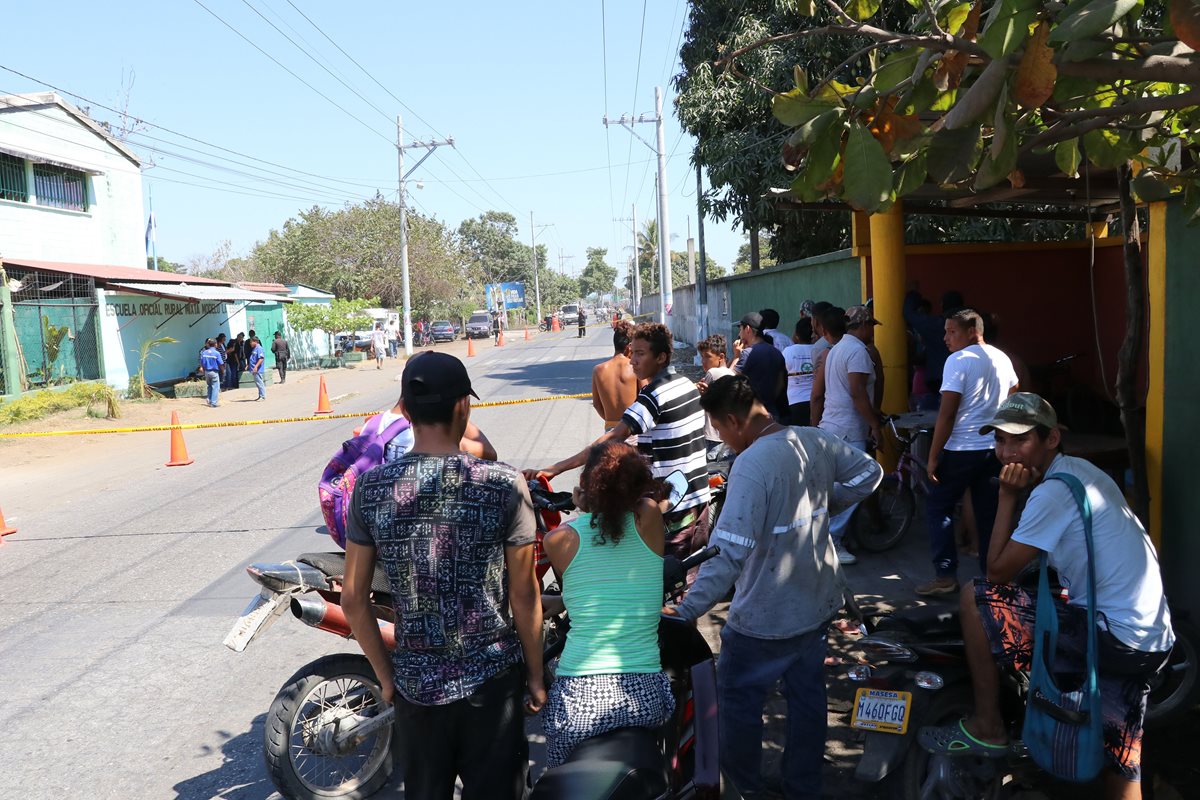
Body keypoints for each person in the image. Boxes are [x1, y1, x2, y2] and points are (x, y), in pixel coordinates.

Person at [919, 393, 1174, 800]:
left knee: (974, 597)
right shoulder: (1082, 472)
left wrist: (1005, 497)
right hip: (1147, 639)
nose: (1007, 453)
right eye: (1000, 440)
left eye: (1020, 440)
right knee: (1122, 760)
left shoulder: (1052, 493)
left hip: (1110, 635)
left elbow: (996, 572)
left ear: (1051, 438)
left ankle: (989, 725)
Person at [665, 375, 882, 799]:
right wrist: (825, 504)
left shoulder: (752, 464)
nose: (723, 441)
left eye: (720, 430)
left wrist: (687, 610)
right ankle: (804, 787)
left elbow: (727, 553)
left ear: (733, 420)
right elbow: (869, 473)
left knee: (736, 702)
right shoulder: (813, 439)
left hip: (766, 620)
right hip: (816, 605)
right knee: (807, 700)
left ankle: (746, 788)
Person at [340, 352, 545, 800]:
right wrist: (535, 675)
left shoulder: (370, 489)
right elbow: (524, 594)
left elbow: (353, 599)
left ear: (406, 410)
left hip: (416, 688)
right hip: (492, 685)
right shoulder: (504, 484)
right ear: (463, 407)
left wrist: (387, 678)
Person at [540, 441, 675, 767]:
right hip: (643, 696)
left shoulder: (558, 540)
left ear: (585, 487)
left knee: (559, 777)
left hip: (578, 704)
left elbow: (581, 585)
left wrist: (583, 503)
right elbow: (648, 501)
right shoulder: (649, 518)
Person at [529, 322, 710, 563]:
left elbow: (613, 438)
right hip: (699, 494)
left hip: (674, 505)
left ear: (661, 357)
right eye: (632, 353)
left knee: (664, 574)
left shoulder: (652, 396)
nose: (632, 360)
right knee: (692, 570)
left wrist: (556, 468)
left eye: (640, 354)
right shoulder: (686, 384)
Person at [917, 308, 1020, 596]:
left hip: (961, 449)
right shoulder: (1002, 358)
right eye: (945, 332)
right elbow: (1014, 395)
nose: (945, 338)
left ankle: (945, 575)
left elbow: (947, 414)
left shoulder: (958, 360)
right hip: (992, 450)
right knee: (989, 515)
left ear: (972, 331)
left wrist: (933, 456)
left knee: (938, 507)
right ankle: (992, 576)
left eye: (952, 332)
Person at [817, 305, 882, 566]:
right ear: (863, 325)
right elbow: (857, 392)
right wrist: (874, 424)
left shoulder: (837, 348)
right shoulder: (857, 351)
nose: (872, 332)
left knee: (836, 485)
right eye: (871, 326)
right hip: (849, 429)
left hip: (833, 424)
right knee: (860, 481)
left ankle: (829, 535)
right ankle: (833, 537)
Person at [905, 287, 964, 410]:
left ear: (942, 305)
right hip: (964, 380)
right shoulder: (970, 326)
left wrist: (913, 293)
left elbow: (909, 314)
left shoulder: (937, 325)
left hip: (939, 381)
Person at [733, 311, 789, 423]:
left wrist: (736, 356)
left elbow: (731, 381)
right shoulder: (776, 353)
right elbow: (781, 383)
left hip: (752, 414)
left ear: (747, 329)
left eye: (741, 329)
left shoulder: (748, 353)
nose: (739, 334)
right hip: (774, 412)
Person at [591, 321, 640, 433]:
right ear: (629, 347)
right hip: (633, 428)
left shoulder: (598, 370)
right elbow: (646, 399)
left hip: (611, 431)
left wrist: (611, 422)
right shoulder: (635, 367)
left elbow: (596, 404)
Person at [697, 334, 735, 456]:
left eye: (707, 357)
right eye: (702, 357)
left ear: (721, 357)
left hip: (712, 435)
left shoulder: (712, 373)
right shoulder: (732, 373)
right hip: (727, 436)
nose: (703, 361)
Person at [783, 317, 816, 426]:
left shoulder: (788, 351)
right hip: (817, 402)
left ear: (796, 334)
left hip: (794, 402)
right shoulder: (820, 350)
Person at [199, 338, 225, 408]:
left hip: (207, 372)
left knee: (209, 386)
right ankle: (213, 403)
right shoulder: (216, 353)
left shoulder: (204, 352)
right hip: (214, 372)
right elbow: (220, 363)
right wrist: (223, 371)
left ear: (208, 344)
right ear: (215, 344)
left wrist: (202, 368)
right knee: (215, 387)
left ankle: (209, 400)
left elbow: (202, 362)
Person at [248, 336, 266, 401]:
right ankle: (260, 395)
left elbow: (261, 359)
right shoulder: (254, 348)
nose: (250, 343)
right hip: (254, 369)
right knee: (258, 383)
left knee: (260, 383)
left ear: (255, 341)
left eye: (251, 342)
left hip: (258, 370)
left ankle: (262, 396)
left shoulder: (259, 348)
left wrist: (256, 367)